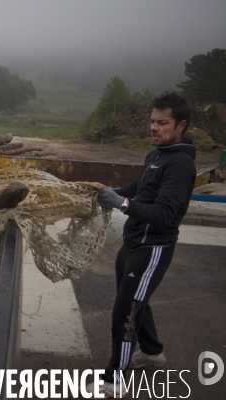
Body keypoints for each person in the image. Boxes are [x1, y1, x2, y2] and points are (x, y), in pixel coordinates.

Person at [88, 91, 196, 398]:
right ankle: (152, 353)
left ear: (181, 126)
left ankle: (114, 381)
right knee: (137, 300)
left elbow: (165, 214)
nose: (154, 128)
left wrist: (122, 203)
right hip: (134, 243)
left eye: (163, 123)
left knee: (125, 313)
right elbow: (141, 187)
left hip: (153, 249)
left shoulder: (181, 166)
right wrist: (118, 192)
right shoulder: (156, 155)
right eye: (152, 121)